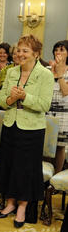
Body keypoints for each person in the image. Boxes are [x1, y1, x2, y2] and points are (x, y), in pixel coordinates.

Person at [0, 34, 54, 228]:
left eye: (25, 51)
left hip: (32, 129)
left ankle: (22, 206)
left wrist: (24, 96)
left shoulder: (45, 74)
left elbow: (45, 104)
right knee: (10, 164)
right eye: (18, 50)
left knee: (26, 169)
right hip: (11, 124)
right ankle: (10, 202)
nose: (20, 54)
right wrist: (11, 99)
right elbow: (2, 100)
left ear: (36, 54)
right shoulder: (11, 72)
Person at [47, 40, 68, 174]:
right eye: (56, 49)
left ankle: (55, 179)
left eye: (62, 50)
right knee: (46, 146)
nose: (58, 52)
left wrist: (60, 74)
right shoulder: (47, 70)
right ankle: (44, 177)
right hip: (47, 112)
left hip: (64, 114)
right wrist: (53, 71)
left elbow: (65, 92)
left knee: (60, 147)